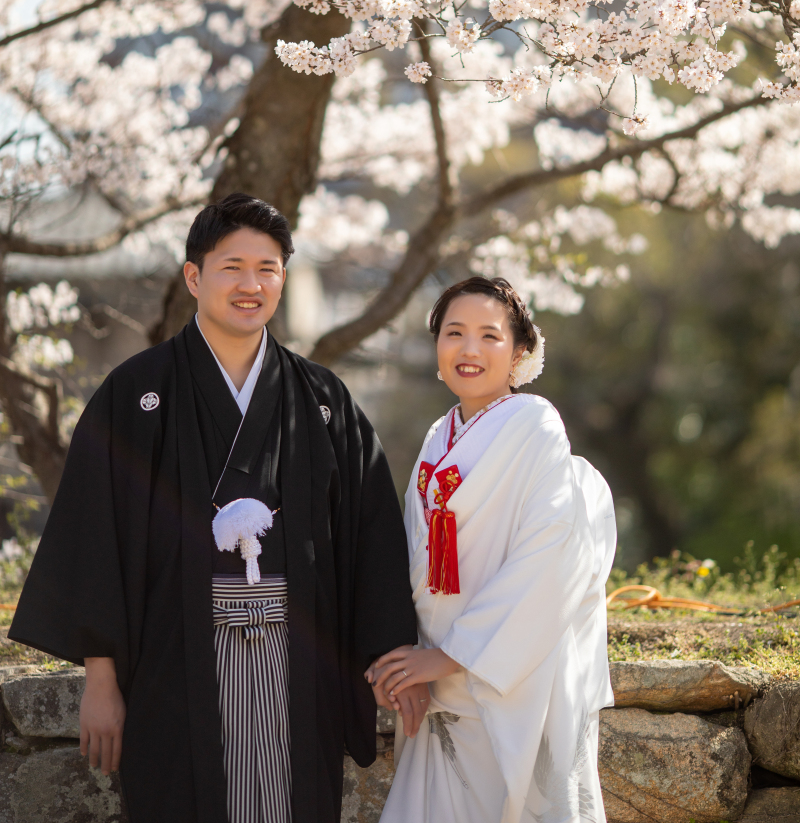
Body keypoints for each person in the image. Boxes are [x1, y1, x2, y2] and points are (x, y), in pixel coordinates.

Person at [10, 193, 418, 823]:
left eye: (268, 268)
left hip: (296, 662)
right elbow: (95, 537)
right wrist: (100, 677)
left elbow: (373, 538)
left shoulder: (322, 398)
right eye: (231, 267)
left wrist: (392, 655)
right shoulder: (137, 393)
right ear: (193, 277)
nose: (251, 284)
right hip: (174, 662)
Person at [368, 275, 616, 823]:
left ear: (520, 351)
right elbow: (413, 556)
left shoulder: (536, 425)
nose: (470, 349)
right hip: (437, 678)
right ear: (437, 347)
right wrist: (405, 652)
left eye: (490, 336)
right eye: (454, 333)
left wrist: (453, 654)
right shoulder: (440, 434)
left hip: (499, 670)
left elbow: (549, 552)